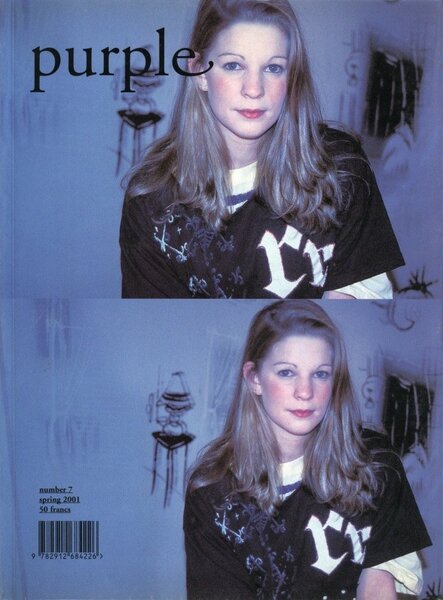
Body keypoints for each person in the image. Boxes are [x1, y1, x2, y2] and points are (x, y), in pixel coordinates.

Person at [120, 0, 404, 299]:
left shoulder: (341, 167)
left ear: (291, 76)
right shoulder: (151, 203)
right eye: (233, 65)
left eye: (273, 67)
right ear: (199, 71)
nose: (254, 89)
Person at [184, 300, 431, 600]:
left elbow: (379, 587)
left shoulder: (376, 463)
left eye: (320, 374)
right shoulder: (212, 493)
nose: (305, 392)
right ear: (255, 378)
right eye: (287, 372)